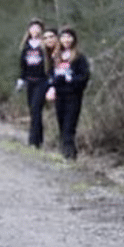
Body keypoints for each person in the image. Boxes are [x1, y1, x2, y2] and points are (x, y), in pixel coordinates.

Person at [50, 27, 91, 160]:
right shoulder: (56, 56)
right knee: (61, 124)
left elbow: (85, 76)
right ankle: (65, 152)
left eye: (69, 37)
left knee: (70, 124)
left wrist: (71, 79)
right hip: (59, 95)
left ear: (74, 39)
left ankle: (69, 154)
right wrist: (52, 86)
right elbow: (50, 75)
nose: (66, 40)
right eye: (63, 37)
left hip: (73, 95)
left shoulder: (79, 57)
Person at [15, 18, 49, 148]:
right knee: (33, 110)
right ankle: (39, 138)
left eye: (37, 28)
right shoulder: (26, 45)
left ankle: (33, 141)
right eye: (32, 27)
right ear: (29, 30)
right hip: (30, 81)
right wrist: (21, 80)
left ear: (41, 30)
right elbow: (22, 65)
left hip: (42, 81)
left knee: (36, 108)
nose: (35, 30)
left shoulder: (44, 45)